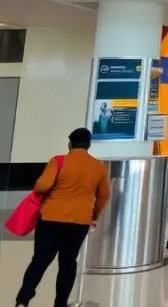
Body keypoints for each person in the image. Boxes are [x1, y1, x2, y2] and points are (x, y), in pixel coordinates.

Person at [15, 128, 111, 307]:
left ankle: (23, 300)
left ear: (69, 144)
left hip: (51, 218)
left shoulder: (58, 161)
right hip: (79, 222)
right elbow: (104, 194)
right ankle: (60, 304)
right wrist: (93, 215)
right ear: (89, 145)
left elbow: (42, 186)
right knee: (68, 262)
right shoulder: (98, 166)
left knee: (40, 260)